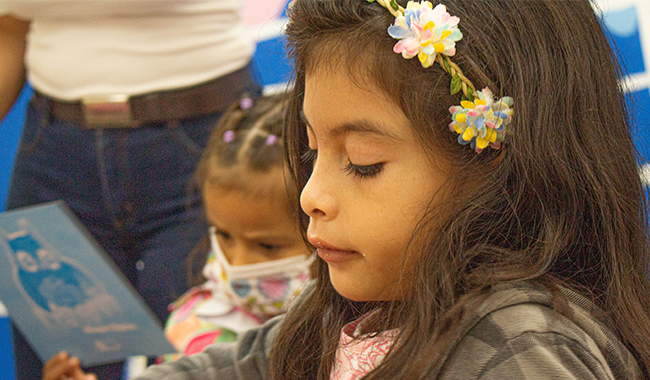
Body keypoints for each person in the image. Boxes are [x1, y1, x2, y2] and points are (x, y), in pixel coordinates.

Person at [60, 0, 650, 379]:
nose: (311, 196)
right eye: (312, 153)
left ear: (499, 171)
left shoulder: (518, 350)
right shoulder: (351, 322)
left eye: (363, 163)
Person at [0, 1, 260, 378]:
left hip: (204, 139)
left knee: (207, 365)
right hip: (54, 149)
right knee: (58, 370)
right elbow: (10, 26)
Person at [42, 93, 313, 380]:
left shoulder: (350, 340)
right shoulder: (193, 331)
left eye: (268, 246)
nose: (238, 263)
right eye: (224, 235)